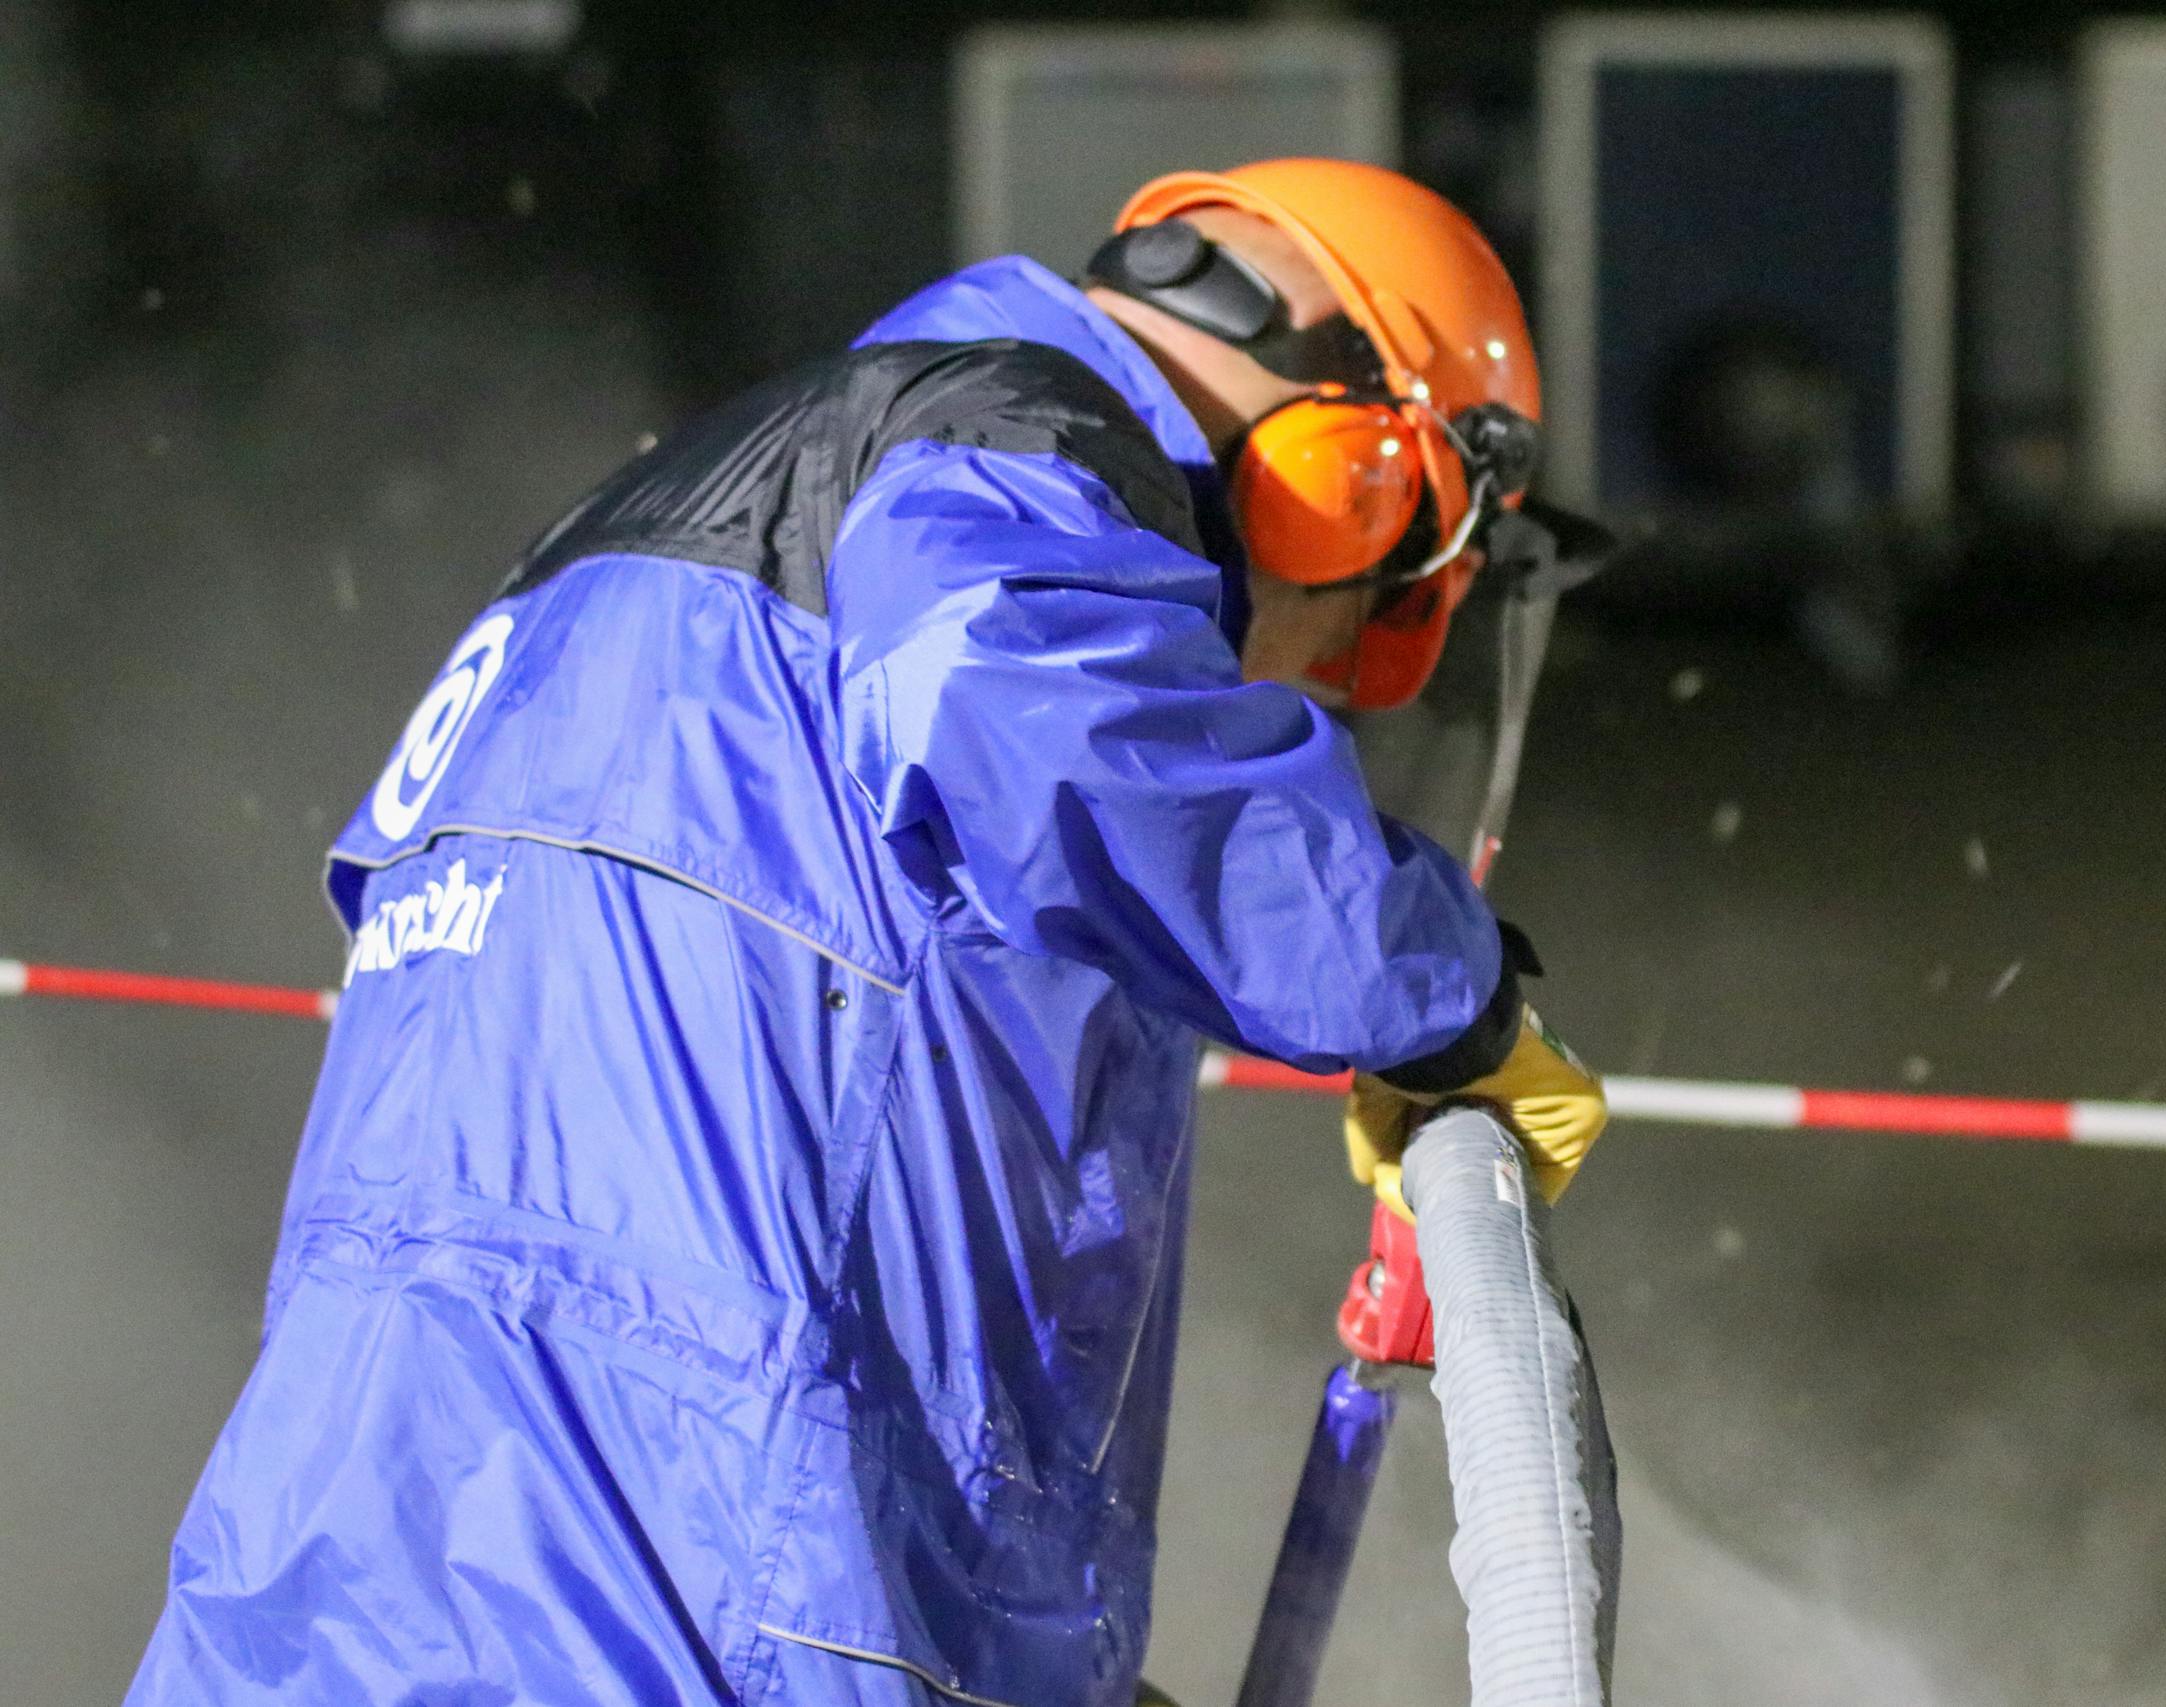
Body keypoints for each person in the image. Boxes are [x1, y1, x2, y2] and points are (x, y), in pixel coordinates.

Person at [127, 158, 1607, 1707]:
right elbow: (1056, 740)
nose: (1300, 679)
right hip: (699, 1599)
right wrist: (1443, 1002)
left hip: (320, 1591)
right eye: (1386, 584)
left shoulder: (647, 543)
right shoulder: (1012, 456)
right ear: (1352, 474)